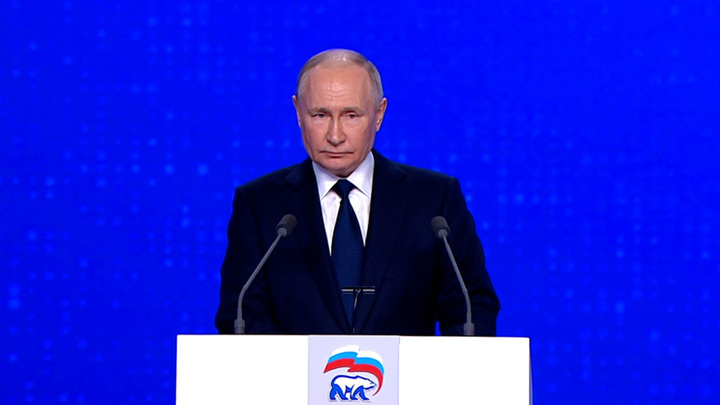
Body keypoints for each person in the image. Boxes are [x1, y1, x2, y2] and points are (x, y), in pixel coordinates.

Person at [215, 49, 499, 335]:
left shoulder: (435, 200)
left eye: (351, 115)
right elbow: (240, 314)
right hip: (290, 367)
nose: (335, 136)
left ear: (379, 114)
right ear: (298, 112)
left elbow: (471, 307)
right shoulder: (259, 204)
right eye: (320, 115)